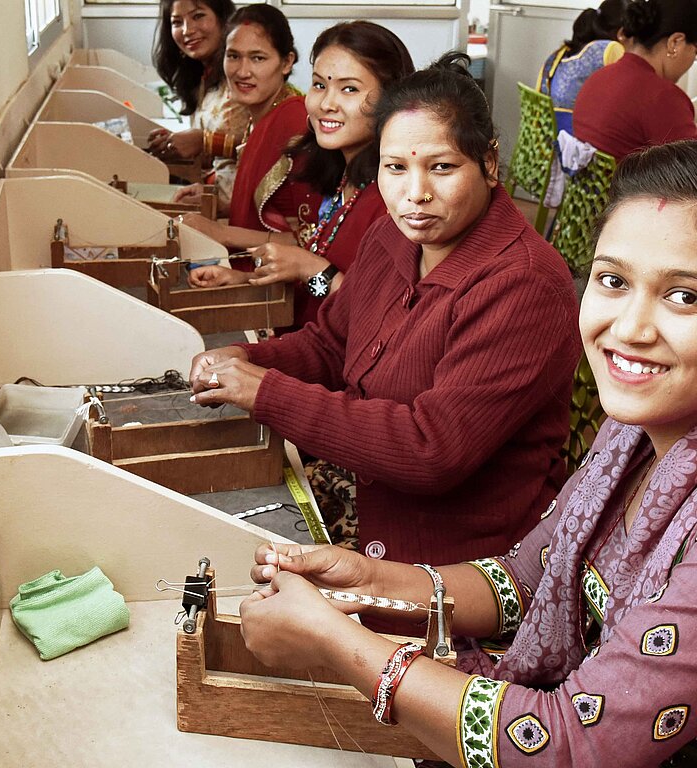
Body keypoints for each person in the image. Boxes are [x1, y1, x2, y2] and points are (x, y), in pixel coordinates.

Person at [240, 139, 697, 768]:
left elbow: (573, 743)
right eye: (613, 281)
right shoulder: (634, 434)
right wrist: (366, 582)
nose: (630, 329)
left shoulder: (522, 283)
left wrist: (333, 640)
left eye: (685, 297)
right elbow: (527, 578)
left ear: (489, 164)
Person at [189, 57, 581, 597]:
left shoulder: (525, 283)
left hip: (465, 571)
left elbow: (431, 449)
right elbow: (331, 345)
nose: (414, 193)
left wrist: (267, 392)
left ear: (489, 164)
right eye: (395, 168)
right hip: (370, 512)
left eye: (441, 168)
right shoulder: (392, 237)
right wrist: (246, 360)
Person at [183, 21, 413, 330]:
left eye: (349, 89)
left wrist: (309, 266)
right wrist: (247, 279)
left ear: (391, 99)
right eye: (319, 85)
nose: (326, 103)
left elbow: (380, 322)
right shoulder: (345, 183)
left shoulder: (393, 202)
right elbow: (323, 295)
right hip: (305, 348)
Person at [174, 4, 321, 256]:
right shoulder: (260, 118)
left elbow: (314, 238)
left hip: (280, 287)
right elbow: (272, 209)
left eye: (258, 58)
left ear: (286, 62)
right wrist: (221, 207)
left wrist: (221, 232)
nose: (242, 71)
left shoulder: (294, 121)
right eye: (233, 56)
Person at [147, 0, 250, 214]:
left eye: (198, 16)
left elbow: (272, 148)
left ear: (223, 19)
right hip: (211, 198)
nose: (187, 30)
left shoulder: (244, 75)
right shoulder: (203, 75)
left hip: (244, 210)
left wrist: (204, 141)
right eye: (177, 22)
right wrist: (177, 144)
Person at [573, 0, 697, 161]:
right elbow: (691, 170)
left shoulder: (599, 77)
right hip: (629, 186)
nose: (692, 59)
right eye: (695, 51)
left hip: (591, 185)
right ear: (675, 43)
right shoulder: (664, 97)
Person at [537, 0, 627, 135]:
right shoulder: (610, 48)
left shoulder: (561, 52)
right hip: (576, 143)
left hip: (545, 140)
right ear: (622, 32)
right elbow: (627, 96)